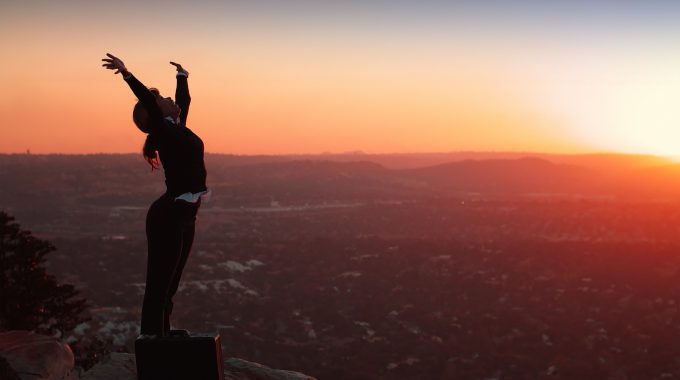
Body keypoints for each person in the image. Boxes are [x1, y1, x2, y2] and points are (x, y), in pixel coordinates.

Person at [102, 53, 208, 337]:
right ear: (157, 114)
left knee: (171, 283)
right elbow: (149, 102)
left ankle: (163, 333)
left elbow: (182, 103)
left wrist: (182, 77)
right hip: (168, 216)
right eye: (163, 101)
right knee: (159, 284)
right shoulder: (164, 132)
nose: (170, 101)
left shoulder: (176, 128)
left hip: (186, 214)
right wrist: (126, 73)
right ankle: (153, 341)